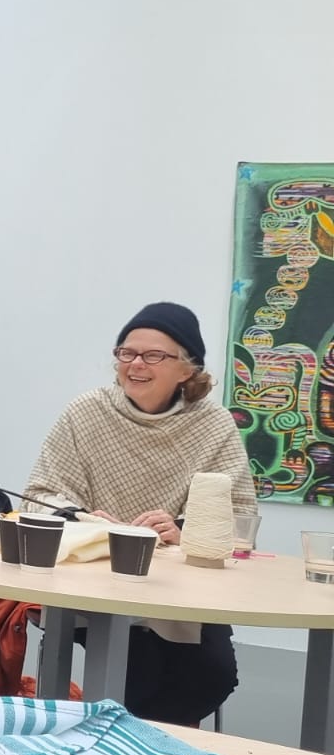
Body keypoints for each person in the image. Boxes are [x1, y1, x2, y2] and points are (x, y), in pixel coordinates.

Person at [25, 301, 258, 724]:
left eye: (154, 355)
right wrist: (89, 521)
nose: (136, 364)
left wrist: (181, 527)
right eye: (126, 353)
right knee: (141, 672)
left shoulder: (214, 424)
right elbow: (40, 494)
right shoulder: (86, 412)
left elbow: (238, 516)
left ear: (187, 369)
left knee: (214, 676)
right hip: (95, 577)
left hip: (177, 588)